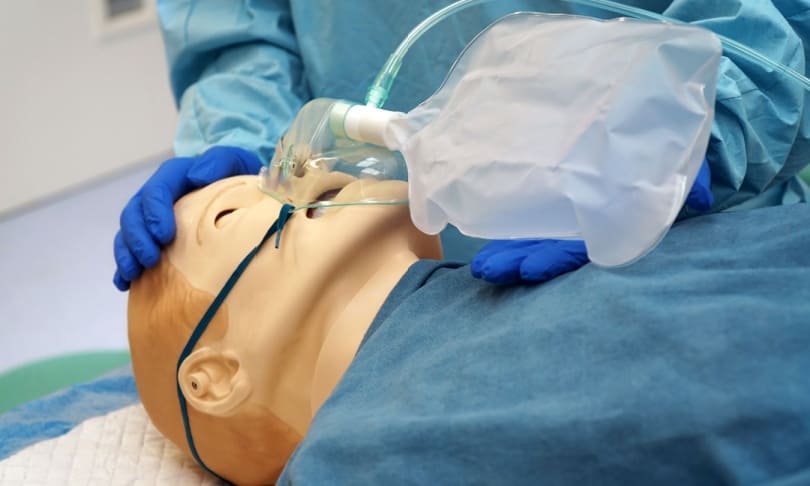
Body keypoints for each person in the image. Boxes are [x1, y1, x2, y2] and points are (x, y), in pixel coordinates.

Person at [129, 174, 810, 485]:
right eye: (229, 212)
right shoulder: (349, 461)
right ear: (214, 377)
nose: (295, 172)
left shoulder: (561, 249)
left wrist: (678, 142)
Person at [113, 0, 810, 291]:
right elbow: (238, 31)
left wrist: (693, 135)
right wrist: (242, 145)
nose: (268, 222)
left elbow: (777, 27)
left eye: (227, 220)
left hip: (677, 241)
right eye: (231, 225)